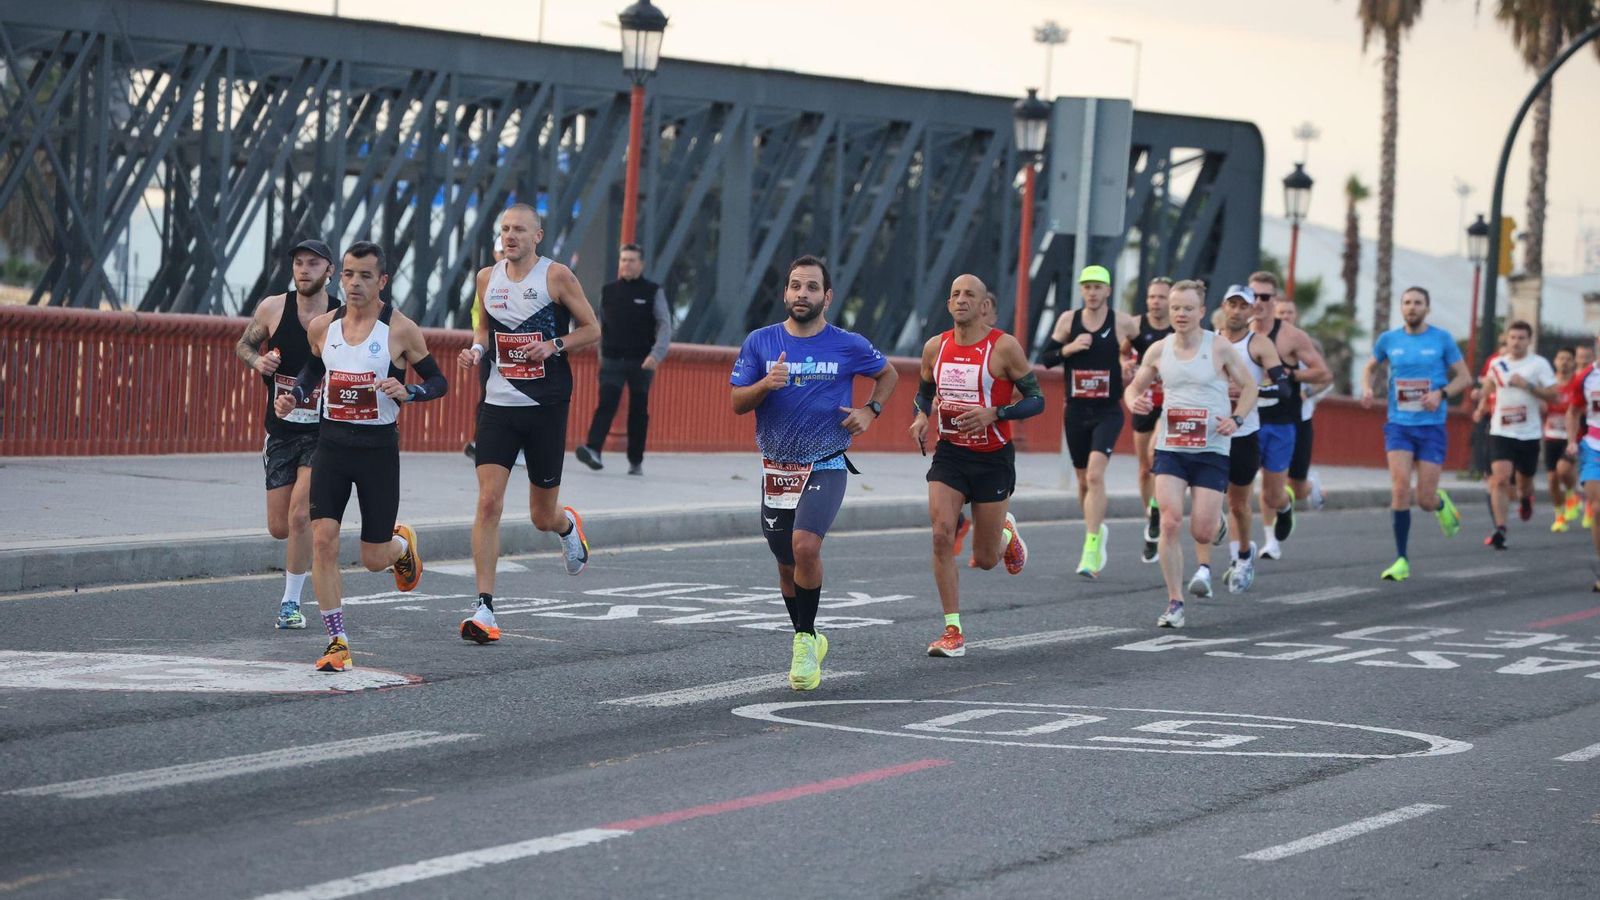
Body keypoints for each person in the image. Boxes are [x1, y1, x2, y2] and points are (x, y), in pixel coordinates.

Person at [275, 242, 448, 671]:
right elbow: (315, 368)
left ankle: (400, 547)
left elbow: (439, 380)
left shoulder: (400, 330)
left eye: (365, 276)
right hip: (331, 446)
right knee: (323, 541)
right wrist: (294, 395)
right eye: (349, 274)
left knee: (373, 559)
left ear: (382, 281)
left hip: (377, 452)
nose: (354, 283)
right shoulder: (323, 327)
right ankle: (337, 640)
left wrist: (410, 390)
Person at [729, 255, 897, 690]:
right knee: (785, 563)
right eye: (794, 286)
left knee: (805, 547)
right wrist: (766, 384)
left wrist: (870, 410)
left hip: (827, 461)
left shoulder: (848, 343)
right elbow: (736, 402)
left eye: (810, 287)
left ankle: (803, 641)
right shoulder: (760, 343)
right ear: (785, 293)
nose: (801, 294)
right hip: (777, 468)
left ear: (827, 296)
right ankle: (808, 632)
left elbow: (888, 373)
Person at [455, 205, 601, 644]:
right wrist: (475, 353)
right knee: (488, 503)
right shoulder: (486, 278)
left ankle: (566, 526)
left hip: (545, 405)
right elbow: (484, 333)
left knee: (541, 515)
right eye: (504, 229)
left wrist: (554, 344)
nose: (510, 236)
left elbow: (592, 329)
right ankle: (484, 608)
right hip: (498, 404)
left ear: (538, 235)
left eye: (519, 229)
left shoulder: (556, 277)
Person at [911, 275, 1040, 657]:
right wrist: (920, 417)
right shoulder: (936, 347)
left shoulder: (1003, 347)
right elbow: (924, 391)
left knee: (985, 561)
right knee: (941, 534)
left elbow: (1037, 399)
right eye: (954, 294)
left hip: (993, 459)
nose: (960, 300)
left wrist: (995, 413)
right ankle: (953, 630)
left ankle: (1005, 533)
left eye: (969, 294)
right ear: (948, 304)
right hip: (950, 454)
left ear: (984, 305)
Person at [1124, 280, 1259, 628]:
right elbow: (1134, 387)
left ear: (1201, 311)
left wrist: (1237, 418)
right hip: (1171, 448)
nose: (1180, 314)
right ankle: (1175, 602)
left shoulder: (1220, 348)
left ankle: (1216, 523)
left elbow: (1249, 387)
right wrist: (1133, 401)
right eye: (1175, 308)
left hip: (1212, 448)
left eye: (1187, 308)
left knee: (1201, 531)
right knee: (1169, 521)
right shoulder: (1158, 350)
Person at [236, 238, 341, 630]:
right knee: (280, 527)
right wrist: (258, 361)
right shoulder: (272, 307)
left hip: (324, 432)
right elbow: (243, 344)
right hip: (280, 431)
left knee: (300, 516)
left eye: (314, 263)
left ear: (329, 271)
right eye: (298, 263)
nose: (304, 270)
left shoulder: (341, 316)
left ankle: (290, 604)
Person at [1361, 286, 1474, 581]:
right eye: (1407, 303)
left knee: (1423, 498)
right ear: (1401, 308)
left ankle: (1440, 503)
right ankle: (1401, 559)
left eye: (1418, 303)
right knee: (1399, 488)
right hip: (1398, 425)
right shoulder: (1389, 339)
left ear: (1427, 308)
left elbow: (1465, 377)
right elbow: (1370, 367)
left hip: (1431, 427)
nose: (1412, 307)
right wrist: (1367, 387)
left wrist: (1442, 394)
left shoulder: (1441, 339)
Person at [1040, 265, 1139, 577]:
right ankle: (1095, 529)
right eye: (1087, 287)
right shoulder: (1069, 320)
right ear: (1082, 291)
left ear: (1108, 290)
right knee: (1083, 481)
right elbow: (1046, 358)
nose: (1092, 292)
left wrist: (1131, 365)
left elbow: (1148, 352)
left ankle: (1092, 544)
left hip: (1108, 410)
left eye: (1098, 287)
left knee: (1095, 476)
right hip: (1076, 410)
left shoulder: (1122, 322)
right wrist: (1070, 347)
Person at [1187, 285, 1283, 596]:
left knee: (1239, 505)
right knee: (1205, 504)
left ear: (1253, 311)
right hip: (1209, 433)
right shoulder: (1207, 341)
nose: (1237, 311)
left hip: (1243, 432)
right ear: (1223, 307)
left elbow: (1283, 388)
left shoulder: (1259, 345)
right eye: (1232, 304)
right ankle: (1203, 569)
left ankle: (1243, 555)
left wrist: (1249, 392)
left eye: (1244, 306)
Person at [1249, 275, 1330, 560]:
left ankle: (1306, 488)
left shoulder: (1294, 337)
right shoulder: (1236, 332)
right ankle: (1265, 542)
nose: (1258, 302)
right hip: (1248, 421)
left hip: (1289, 421)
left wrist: (1290, 375)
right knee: (1240, 485)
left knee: (1285, 489)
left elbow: (1324, 373)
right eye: (1254, 296)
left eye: (1265, 297)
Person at [575, 243, 673, 476]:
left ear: (641, 264)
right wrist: (596, 352)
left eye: (631, 260)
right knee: (606, 403)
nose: (626, 264)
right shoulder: (608, 291)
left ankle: (635, 461)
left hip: (642, 361)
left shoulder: (652, 291)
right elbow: (599, 326)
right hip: (611, 359)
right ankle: (593, 449)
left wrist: (656, 355)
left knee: (638, 411)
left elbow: (664, 326)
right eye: (623, 260)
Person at [1476, 320, 1557, 549]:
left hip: (1528, 433)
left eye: (1521, 338)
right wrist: (1480, 396)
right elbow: (1489, 387)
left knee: (1525, 481)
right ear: (1506, 339)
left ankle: (1525, 498)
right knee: (1499, 479)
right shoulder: (1498, 363)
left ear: (1529, 340)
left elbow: (1554, 395)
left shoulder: (1539, 364)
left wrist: (1527, 386)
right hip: (1501, 430)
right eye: (1513, 338)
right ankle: (1500, 528)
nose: (1516, 342)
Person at [1123, 276, 1175, 564]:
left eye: (1161, 297)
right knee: (1145, 468)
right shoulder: (1135, 325)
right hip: (1143, 401)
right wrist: (1126, 364)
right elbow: (1123, 353)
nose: (1156, 302)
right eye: (1152, 297)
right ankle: (1151, 517)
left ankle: (1157, 508)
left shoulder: (1177, 329)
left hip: (1169, 405)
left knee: (1156, 453)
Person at [1274, 297, 1332, 509]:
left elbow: (1326, 377)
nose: (1285, 316)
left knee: (1295, 484)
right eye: (1281, 313)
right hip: (1272, 415)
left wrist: (1306, 392)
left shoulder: (1307, 342)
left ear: (1295, 315)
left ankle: (1310, 483)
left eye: (1289, 312)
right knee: (1274, 479)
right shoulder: (1264, 341)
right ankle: (1274, 530)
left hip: (1301, 416)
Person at [1562, 334, 1600, 589]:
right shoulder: (1586, 376)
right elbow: (1574, 411)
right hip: (1594, 447)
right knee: (1597, 509)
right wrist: (1572, 440)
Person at [1545, 346, 1580, 531]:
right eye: (1560, 358)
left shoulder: (1577, 383)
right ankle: (1559, 515)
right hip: (1550, 435)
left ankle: (1571, 494)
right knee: (1551, 479)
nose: (1564, 362)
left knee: (1563, 470)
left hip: (1570, 435)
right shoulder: (1548, 384)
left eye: (1568, 359)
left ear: (1573, 362)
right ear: (1555, 361)